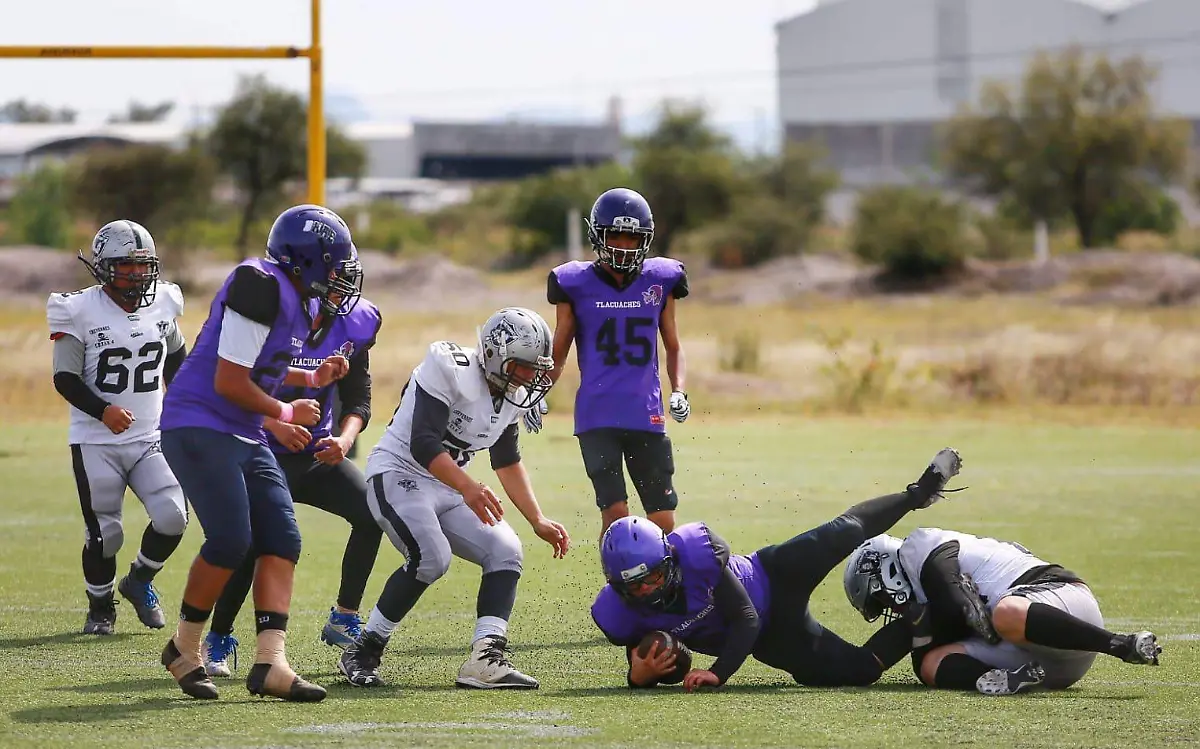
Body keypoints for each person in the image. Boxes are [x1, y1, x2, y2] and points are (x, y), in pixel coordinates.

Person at [158, 204, 359, 702]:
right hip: (199, 423)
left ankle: (270, 662)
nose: (339, 276)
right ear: (307, 259)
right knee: (230, 540)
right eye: (333, 264)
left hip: (242, 431)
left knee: (281, 538)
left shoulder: (296, 299)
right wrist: (285, 413)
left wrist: (308, 378)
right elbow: (229, 379)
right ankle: (184, 648)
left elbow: (263, 362)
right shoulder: (259, 283)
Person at [591, 448, 965, 690]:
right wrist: (638, 677)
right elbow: (650, 660)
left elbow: (745, 617)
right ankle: (924, 618)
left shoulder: (694, 553)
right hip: (773, 637)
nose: (647, 591)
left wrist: (718, 672)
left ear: (668, 559)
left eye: (653, 577)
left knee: (842, 532)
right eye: (634, 587)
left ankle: (919, 493)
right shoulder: (618, 613)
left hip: (771, 576)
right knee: (861, 671)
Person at [338, 307, 571, 690]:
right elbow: (424, 442)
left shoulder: (510, 393)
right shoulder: (449, 366)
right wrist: (467, 486)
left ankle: (485, 658)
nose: (530, 376)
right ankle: (363, 648)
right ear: (495, 354)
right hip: (399, 473)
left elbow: (507, 460)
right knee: (432, 557)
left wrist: (537, 519)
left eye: (535, 369)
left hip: (447, 484)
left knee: (506, 549)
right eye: (524, 366)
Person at [201, 273, 384, 678]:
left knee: (373, 514)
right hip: (261, 448)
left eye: (346, 284)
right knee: (250, 542)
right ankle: (218, 636)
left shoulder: (354, 324)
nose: (341, 295)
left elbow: (359, 398)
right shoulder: (274, 317)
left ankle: (344, 616)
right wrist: (275, 423)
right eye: (332, 282)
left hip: (316, 454)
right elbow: (231, 387)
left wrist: (344, 438)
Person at [47, 220, 189, 636]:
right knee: (105, 533)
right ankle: (100, 606)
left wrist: (184, 407)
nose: (137, 274)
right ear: (104, 267)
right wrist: (103, 409)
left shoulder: (163, 302)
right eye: (126, 265)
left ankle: (139, 580)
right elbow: (65, 377)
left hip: (150, 437)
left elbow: (178, 362)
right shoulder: (77, 309)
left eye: (143, 265)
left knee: (173, 517)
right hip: (96, 441)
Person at [843, 526, 1163, 696]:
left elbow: (959, 609)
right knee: (930, 666)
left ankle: (1121, 644)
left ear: (886, 573)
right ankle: (1004, 681)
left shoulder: (921, 547)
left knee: (1004, 613)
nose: (891, 608)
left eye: (882, 599)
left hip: (1065, 604)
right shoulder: (927, 598)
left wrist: (916, 630)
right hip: (1051, 669)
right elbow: (945, 621)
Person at [545, 187, 690, 537]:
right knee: (616, 520)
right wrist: (537, 393)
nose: (624, 246)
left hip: (646, 411)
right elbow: (559, 349)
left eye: (632, 238)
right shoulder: (573, 282)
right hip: (597, 416)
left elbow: (672, 345)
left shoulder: (662, 278)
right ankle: (618, 590)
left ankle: (665, 589)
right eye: (616, 236)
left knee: (664, 522)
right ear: (598, 234)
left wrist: (679, 390)